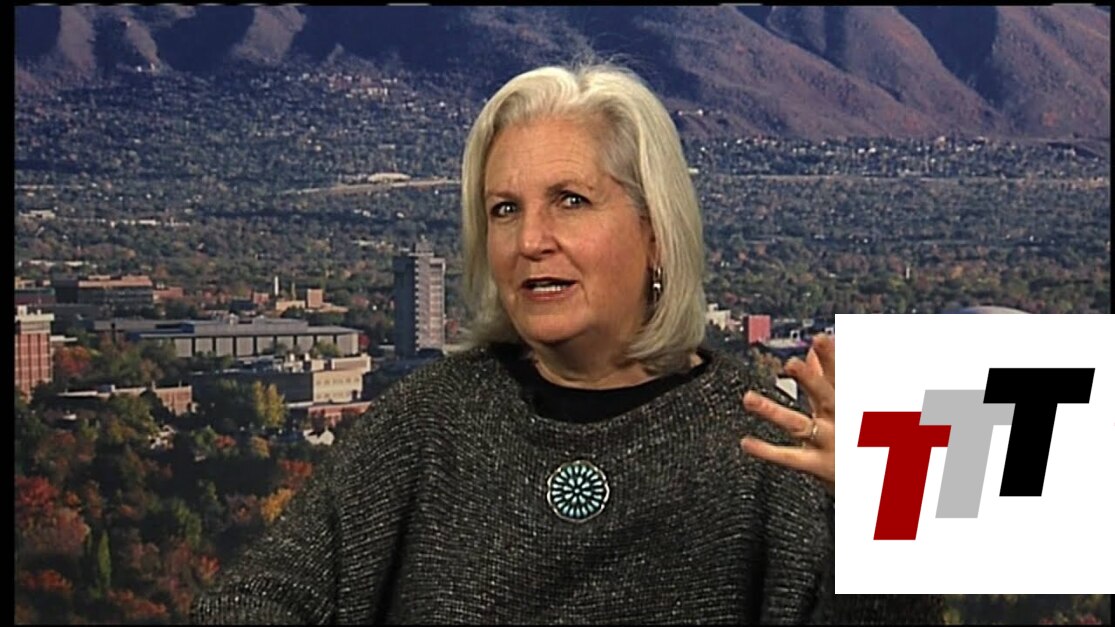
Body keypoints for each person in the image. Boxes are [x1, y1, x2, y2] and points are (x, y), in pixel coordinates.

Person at [191, 61, 942, 624]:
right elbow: (257, 599)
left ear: (655, 231)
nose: (531, 240)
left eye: (570, 201)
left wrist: (885, 526)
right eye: (504, 210)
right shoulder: (427, 421)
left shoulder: (765, 445)